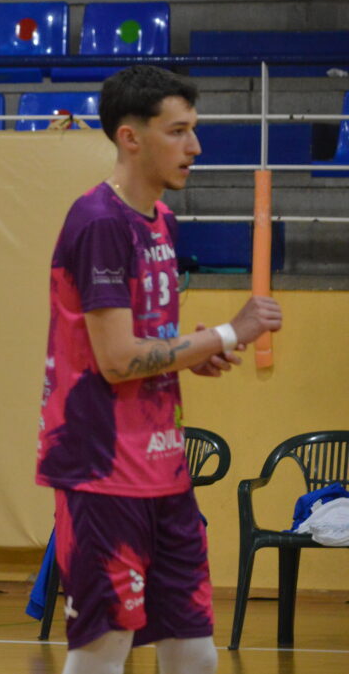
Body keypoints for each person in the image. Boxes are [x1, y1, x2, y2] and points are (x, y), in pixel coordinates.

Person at [36, 65, 283, 674]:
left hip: (165, 472)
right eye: (178, 132)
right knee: (103, 650)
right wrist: (229, 332)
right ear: (130, 137)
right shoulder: (98, 223)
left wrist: (197, 350)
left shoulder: (162, 223)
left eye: (193, 130)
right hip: (103, 474)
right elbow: (117, 361)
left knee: (196, 652)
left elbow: (147, 339)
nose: (194, 147)